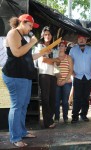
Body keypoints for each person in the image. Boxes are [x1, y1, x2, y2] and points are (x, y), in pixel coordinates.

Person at [2, 14, 44, 147]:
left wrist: (42, 53)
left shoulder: (22, 36)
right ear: (22, 22)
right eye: (30, 25)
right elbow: (17, 53)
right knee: (17, 106)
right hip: (14, 75)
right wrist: (32, 42)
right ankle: (15, 137)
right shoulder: (13, 33)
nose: (31, 28)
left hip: (24, 75)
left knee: (23, 105)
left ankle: (21, 131)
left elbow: (27, 56)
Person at [34, 26, 60, 128]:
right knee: (45, 99)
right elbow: (44, 60)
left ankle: (50, 119)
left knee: (52, 99)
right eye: (45, 34)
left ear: (51, 36)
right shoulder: (40, 46)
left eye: (49, 34)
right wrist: (54, 60)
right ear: (42, 36)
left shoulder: (55, 48)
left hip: (53, 75)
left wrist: (53, 60)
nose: (47, 36)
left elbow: (58, 62)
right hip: (43, 74)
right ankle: (47, 122)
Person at [69, 35, 91, 123]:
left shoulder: (90, 49)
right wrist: (72, 72)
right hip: (77, 76)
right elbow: (70, 61)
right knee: (76, 97)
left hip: (88, 76)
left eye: (83, 38)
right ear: (77, 40)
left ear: (86, 39)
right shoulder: (73, 49)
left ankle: (84, 115)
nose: (82, 40)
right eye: (80, 38)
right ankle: (74, 116)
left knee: (86, 97)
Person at [55, 41, 73, 123]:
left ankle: (65, 117)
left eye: (63, 46)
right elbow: (53, 69)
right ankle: (57, 117)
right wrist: (58, 80)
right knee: (56, 100)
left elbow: (71, 70)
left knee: (65, 101)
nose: (61, 47)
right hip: (57, 82)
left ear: (66, 48)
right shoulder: (55, 57)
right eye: (59, 45)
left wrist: (64, 81)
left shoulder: (68, 57)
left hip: (67, 82)